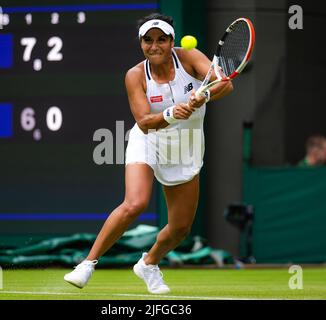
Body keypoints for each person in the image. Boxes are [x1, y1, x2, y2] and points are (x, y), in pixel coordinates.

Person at [64, 13, 233, 294]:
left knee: (180, 229)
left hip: (185, 146)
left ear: (171, 41)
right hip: (148, 141)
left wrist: (204, 94)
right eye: (148, 40)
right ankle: (87, 264)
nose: (155, 46)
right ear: (141, 43)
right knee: (135, 203)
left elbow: (224, 84)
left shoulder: (190, 57)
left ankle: (149, 264)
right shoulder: (134, 75)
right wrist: (171, 112)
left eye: (161, 40)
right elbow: (144, 121)